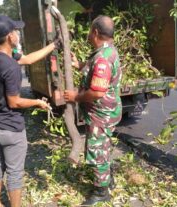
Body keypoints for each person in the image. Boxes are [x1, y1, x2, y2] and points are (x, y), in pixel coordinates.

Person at [0, 15, 59, 207]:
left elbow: (26, 59)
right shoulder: (10, 67)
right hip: (10, 127)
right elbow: (14, 102)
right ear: (10, 37)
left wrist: (53, 45)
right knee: (15, 172)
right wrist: (37, 102)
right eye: (15, 31)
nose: (18, 33)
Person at [64, 15, 122, 205]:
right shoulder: (105, 52)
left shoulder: (103, 58)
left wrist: (75, 97)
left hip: (101, 114)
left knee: (97, 150)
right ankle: (108, 179)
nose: (89, 34)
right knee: (103, 147)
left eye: (90, 30)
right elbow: (94, 70)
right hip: (106, 112)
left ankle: (101, 191)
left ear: (95, 32)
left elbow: (96, 92)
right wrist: (79, 64)